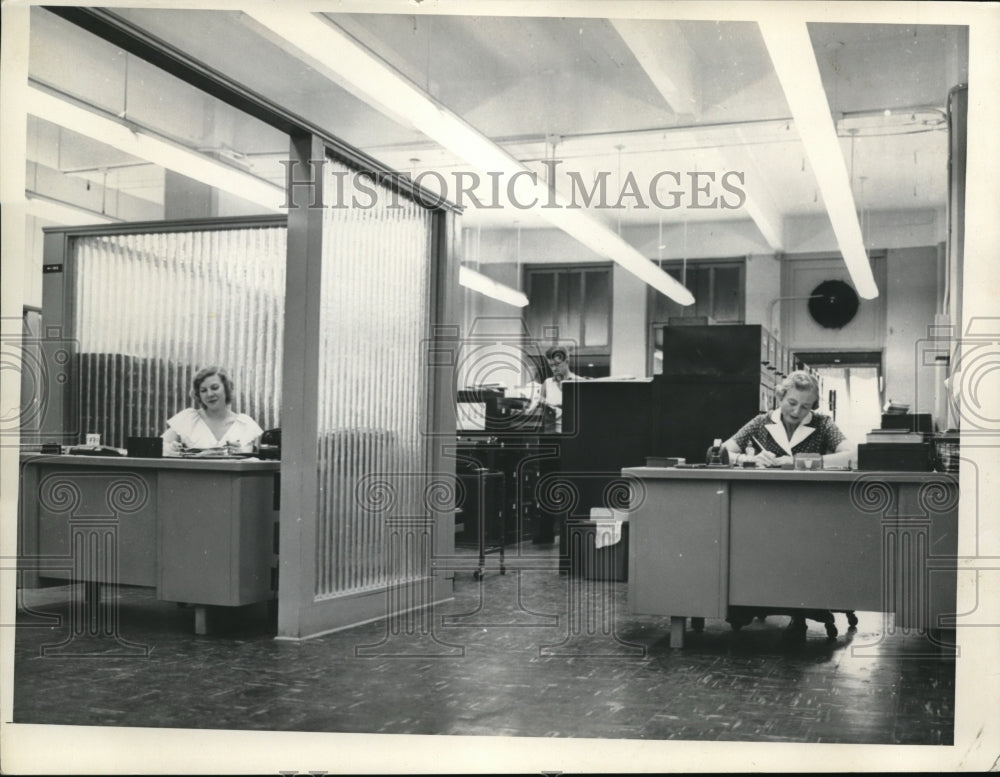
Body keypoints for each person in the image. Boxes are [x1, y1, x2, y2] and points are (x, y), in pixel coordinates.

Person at [723, 370, 852, 469]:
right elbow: (718, 453)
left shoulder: (823, 424)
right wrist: (749, 460)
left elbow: (853, 455)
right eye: (792, 403)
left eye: (805, 407)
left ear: (813, 406)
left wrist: (798, 461)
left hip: (809, 493)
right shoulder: (761, 422)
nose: (796, 411)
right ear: (780, 397)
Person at [162, 367, 263, 454]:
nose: (209, 394)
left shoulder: (244, 424)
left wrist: (241, 453)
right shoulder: (188, 419)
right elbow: (158, 446)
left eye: (215, 388)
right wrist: (172, 449)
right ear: (198, 395)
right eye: (203, 390)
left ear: (226, 389)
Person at [539, 344, 579, 433]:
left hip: (574, 434)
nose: (553, 369)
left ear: (567, 361)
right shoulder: (547, 383)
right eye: (551, 365)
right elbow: (540, 410)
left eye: (557, 364)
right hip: (551, 434)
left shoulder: (579, 382)